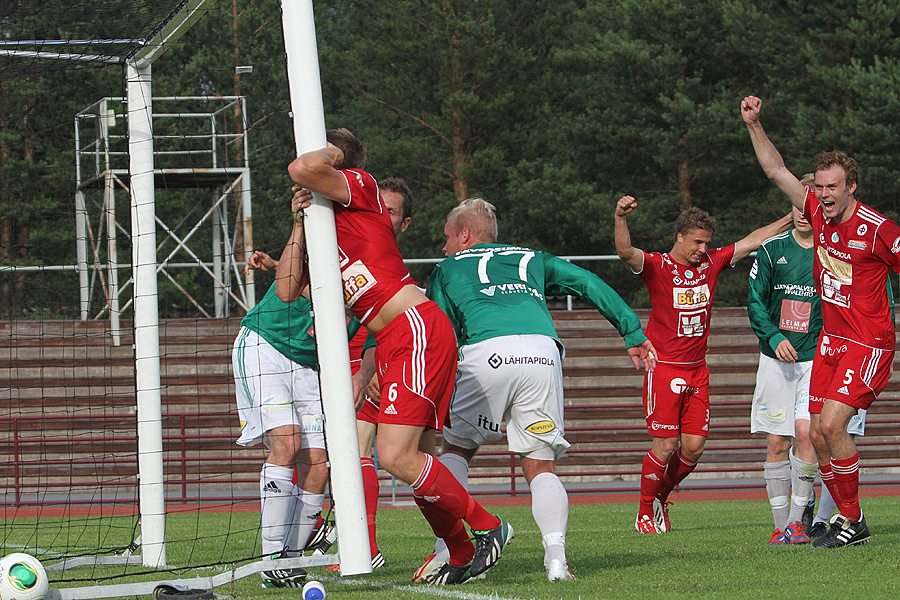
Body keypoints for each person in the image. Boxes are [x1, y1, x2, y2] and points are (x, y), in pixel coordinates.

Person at [284, 129, 512, 585]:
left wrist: (330, 153)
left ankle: (490, 526)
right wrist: (297, 225)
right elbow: (290, 290)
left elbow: (302, 168)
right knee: (418, 457)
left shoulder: (362, 186)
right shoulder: (324, 226)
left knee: (393, 456)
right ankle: (463, 550)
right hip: (392, 340)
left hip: (413, 328)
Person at [418, 198, 655, 583]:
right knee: (541, 465)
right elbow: (588, 282)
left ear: (465, 234)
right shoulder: (533, 257)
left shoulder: (447, 267)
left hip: (485, 351)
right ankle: (556, 562)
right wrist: (630, 330)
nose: (443, 247)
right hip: (543, 352)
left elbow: (442, 332)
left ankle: (449, 549)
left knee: (457, 449)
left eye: (447, 238)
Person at [741, 95, 900, 548]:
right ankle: (849, 520)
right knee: (814, 433)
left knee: (831, 427)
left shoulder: (880, 229)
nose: (825, 195)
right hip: (831, 341)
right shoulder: (815, 211)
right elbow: (776, 171)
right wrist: (754, 125)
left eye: (834, 187)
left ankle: (852, 521)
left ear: (852, 187)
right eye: (822, 188)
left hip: (869, 343)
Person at [615, 195, 792, 534]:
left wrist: (794, 214)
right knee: (665, 445)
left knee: (693, 449)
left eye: (706, 242)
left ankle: (660, 499)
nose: (702, 248)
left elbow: (755, 239)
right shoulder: (658, 266)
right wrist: (620, 218)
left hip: (698, 369)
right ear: (679, 236)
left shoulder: (711, 263)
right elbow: (626, 252)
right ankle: (642, 513)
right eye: (697, 241)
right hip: (664, 367)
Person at [233, 218, 369, 588]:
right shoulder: (318, 244)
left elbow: (375, 333)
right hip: (265, 347)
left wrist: (362, 376)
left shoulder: (370, 273)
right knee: (287, 442)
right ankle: (271, 555)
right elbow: (290, 288)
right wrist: (295, 226)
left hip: (308, 366)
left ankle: (290, 561)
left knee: (319, 466)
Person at [351, 176, 415, 569]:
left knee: (386, 453)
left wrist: (374, 367)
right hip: (355, 361)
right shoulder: (360, 241)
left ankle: (365, 545)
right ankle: (355, 542)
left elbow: (392, 319)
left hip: (381, 362)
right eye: (379, 207)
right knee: (346, 453)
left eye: (390, 211)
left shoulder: (394, 263)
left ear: (404, 223)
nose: (381, 215)